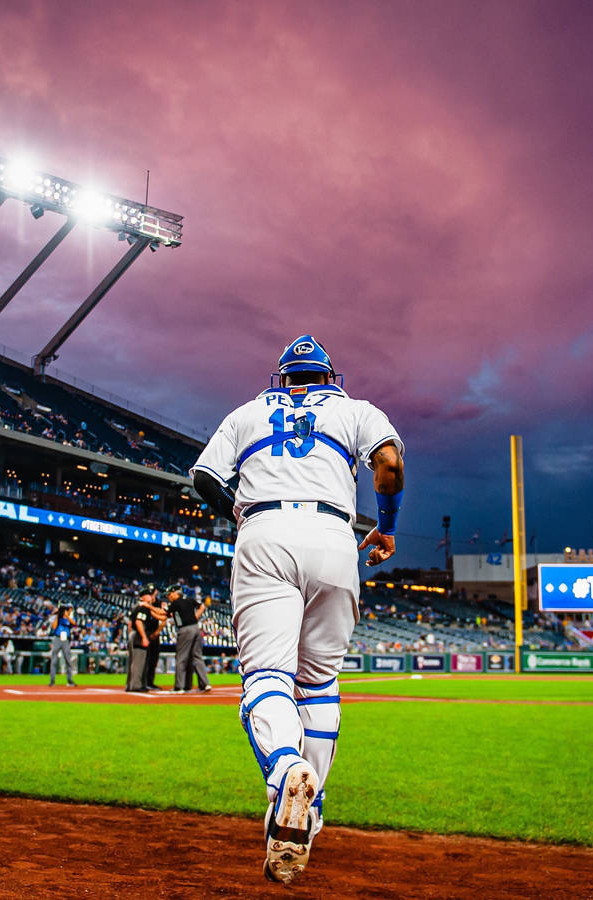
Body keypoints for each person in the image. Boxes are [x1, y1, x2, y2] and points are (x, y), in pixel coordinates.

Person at [191, 334, 404, 884]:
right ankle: (309, 811)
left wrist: (238, 511)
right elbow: (388, 464)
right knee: (320, 683)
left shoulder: (246, 411)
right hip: (336, 537)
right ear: (330, 376)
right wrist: (388, 526)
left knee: (267, 677)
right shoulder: (357, 410)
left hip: (265, 532)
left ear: (282, 377)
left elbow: (204, 478)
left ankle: (286, 769)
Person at [168, 585, 211, 694]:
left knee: (181, 657)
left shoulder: (175, 603)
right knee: (197, 657)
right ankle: (205, 684)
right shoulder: (189, 599)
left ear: (175, 593)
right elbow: (202, 607)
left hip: (185, 630)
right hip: (196, 628)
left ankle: (179, 687)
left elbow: (166, 614)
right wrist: (195, 618)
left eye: (169, 594)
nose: (169, 597)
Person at [125, 585, 155, 692]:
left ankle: (130, 685)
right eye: (147, 595)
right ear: (142, 597)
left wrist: (130, 635)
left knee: (133, 662)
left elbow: (130, 623)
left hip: (133, 633)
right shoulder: (143, 607)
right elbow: (138, 622)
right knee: (139, 661)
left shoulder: (136, 606)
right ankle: (136, 686)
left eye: (150, 595)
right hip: (138, 634)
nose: (150, 597)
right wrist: (144, 637)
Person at [143, 585, 168, 691]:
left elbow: (164, 618)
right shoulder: (145, 603)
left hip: (154, 633)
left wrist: (157, 632)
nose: (152, 595)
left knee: (153, 658)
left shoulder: (158, 603)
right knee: (145, 659)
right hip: (145, 632)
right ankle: (143, 682)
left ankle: (150, 682)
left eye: (152, 593)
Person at [48, 603, 78, 687]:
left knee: (68, 660)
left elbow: (74, 623)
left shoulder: (70, 618)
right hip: (57, 638)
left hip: (66, 639)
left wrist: (67, 616)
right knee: (54, 660)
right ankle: (52, 680)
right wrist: (58, 616)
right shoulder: (58, 618)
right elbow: (54, 627)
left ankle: (69, 680)